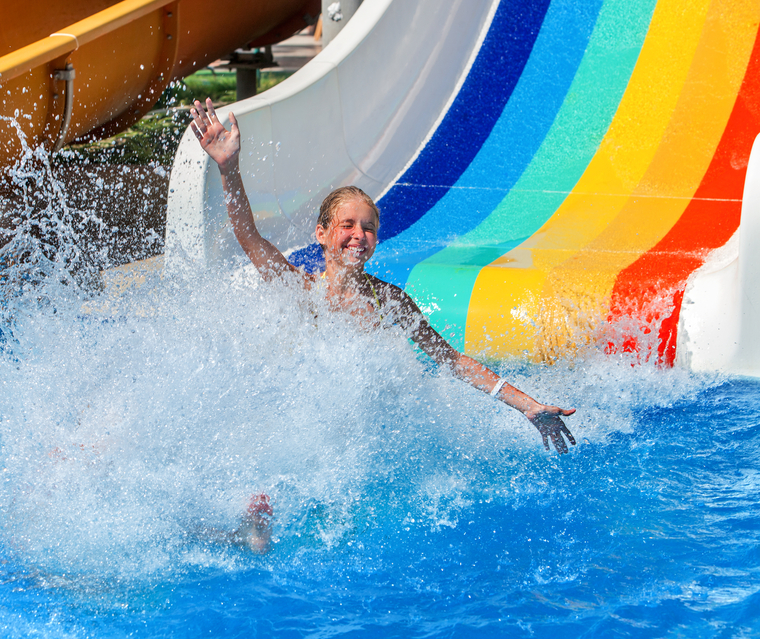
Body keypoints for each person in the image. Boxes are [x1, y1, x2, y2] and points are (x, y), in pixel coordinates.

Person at [189, 98, 576, 456]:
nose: (359, 235)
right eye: (348, 225)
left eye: (369, 227)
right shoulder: (300, 288)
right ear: (321, 233)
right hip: (306, 432)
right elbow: (248, 235)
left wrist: (527, 405)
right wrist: (228, 168)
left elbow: (451, 360)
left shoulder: (389, 300)